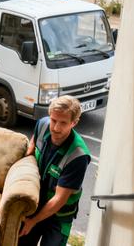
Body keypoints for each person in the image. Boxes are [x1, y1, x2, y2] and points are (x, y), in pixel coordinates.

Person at [18, 96, 91, 246]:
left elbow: (59, 199)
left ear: (74, 123)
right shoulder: (42, 125)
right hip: (36, 204)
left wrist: (33, 221)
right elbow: (31, 147)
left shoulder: (78, 156)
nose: (56, 128)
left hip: (59, 216)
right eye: (53, 120)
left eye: (63, 123)